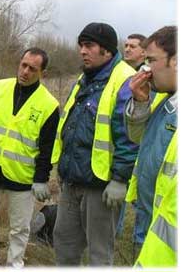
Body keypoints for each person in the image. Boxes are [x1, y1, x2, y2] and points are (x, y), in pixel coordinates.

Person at [51, 22, 139, 266]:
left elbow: (130, 136)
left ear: (107, 51)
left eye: (89, 45)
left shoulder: (125, 80)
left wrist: (120, 179)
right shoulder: (84, 78)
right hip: (71, 180)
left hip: (100, 187)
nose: (82, 51)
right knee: (64, 245)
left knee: (99, 254)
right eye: (81, 45)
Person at [0, 47, 60, 267]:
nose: (25, 71)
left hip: (22, 178)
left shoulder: (49, 105)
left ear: (43, 73)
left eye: (32, 68)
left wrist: (41, 178)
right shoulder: (0, 87)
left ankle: (14, 265)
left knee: (20, 229)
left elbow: (47, 148)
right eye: (23, 65)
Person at [124, 26, 177, 266]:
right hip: (147, 221)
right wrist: (141, 101)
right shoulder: (166, 101)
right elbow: (138, 139)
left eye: (152, 61)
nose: (145, 69)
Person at [116, 33, 146, 240]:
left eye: (132, 46)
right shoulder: (121, 75)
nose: (127, 49)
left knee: (141, 198)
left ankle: (141, 240)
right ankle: (114, 234)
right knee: (120, 194)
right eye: (125, 45)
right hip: (125, 146)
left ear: (144, 52)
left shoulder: (148, 76)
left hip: (142, 146)